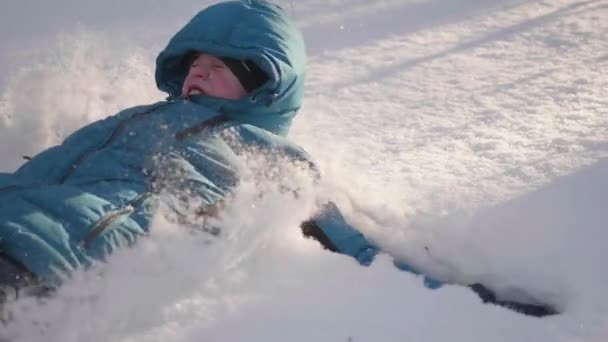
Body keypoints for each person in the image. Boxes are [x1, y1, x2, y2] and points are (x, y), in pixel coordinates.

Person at [0, 0, 556, 317]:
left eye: (220, 67)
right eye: (194, 63)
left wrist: (476, 300)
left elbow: (355, 246)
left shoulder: (270, 156)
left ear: (263, 85)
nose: (198, 71)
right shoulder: (135, 115)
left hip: (45, 257)